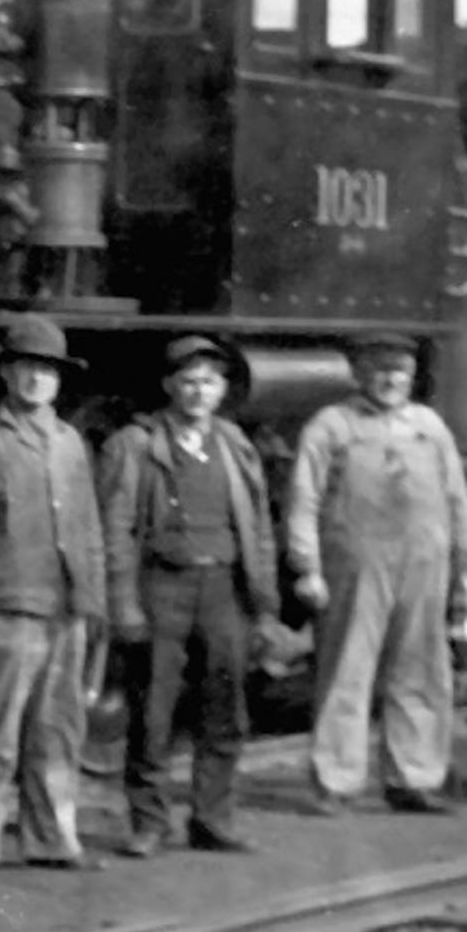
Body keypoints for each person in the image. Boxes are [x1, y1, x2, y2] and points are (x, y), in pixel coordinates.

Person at [0, 314, 105, 879]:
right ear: (6, 373)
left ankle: (53, 838)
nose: (36, 379)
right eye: (26, 368)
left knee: (58, 730)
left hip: (64, 606)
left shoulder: (69, 442)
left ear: (59, 379)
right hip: (8, 602)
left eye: (47, 370)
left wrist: (93, 598)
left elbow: (87, 526)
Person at [283, 330, 467, 815]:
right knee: (347, 670)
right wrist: (306, 565)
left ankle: (413, 777)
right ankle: (336, 780)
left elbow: (457, 498)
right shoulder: (331, 426)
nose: (391, 380)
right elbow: (303, 499)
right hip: (356, 563)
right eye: (380, 370)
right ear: (359, 374)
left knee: (421, 669)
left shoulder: (430, 427)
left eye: (401, 372)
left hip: (424, 564)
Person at [96, 335, 281, 858]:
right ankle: (149, 822)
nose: (198, 392)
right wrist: (123, 604)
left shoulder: (236, 445)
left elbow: (260, 528)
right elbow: (116, 528)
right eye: (188, 382)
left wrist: (262, 601)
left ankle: (213, 818)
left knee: (224, 707)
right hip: (162, 586)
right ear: (168, 387)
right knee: (153, 708)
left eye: (209, 382)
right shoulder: (135, 444)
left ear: (222, 390)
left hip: (223, 588)